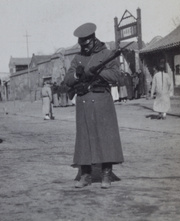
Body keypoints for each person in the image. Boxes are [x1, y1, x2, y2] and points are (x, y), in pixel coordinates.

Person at [64, 23, 124, 189]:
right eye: (82, 44)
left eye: (88, 43)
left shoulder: (107, 54)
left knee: (106, 138)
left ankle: (106, 175)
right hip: (83, 103)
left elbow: (116, 75)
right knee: (84, 141)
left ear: (94, 39)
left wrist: (96, 71)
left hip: (102, 101)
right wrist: (77, 74)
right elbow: (67, 80)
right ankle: (85, 175)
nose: (85, 47)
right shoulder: (77, 59)